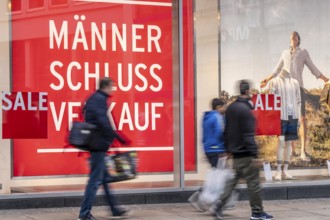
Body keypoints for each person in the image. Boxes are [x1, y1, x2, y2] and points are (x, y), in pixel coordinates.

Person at [260, 31, 329, 161]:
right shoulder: (284, 53)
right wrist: (267, 79)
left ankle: (303, 151)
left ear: (298, 40)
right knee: (289, 119)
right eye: (291, 35)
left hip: (298, 88)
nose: (293, 36)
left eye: (295, 35)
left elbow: (312, 68)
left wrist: (325, 79)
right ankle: (293, 150)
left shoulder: (303, 52)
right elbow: (276, 70)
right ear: (290, 40)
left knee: (302, 119)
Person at [212, 80, 273, 220]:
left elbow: (226, 130)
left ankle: (218, 205)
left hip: (235, 154)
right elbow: (248, 134)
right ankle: (257, 212)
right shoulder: (246, 110)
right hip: (247, 154)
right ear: (247, 92)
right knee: (254, 184)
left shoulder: (231, 108)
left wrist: (228, 149)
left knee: (232, 182)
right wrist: (255, 155)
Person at [78, 77, 131, 220]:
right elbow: (104, 122)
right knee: (95, 180)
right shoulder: (98, 99)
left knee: (104, 178)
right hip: (97, 146)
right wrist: (118, 138)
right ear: (105, 87)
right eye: (112, 87)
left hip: (97, 144)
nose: (113, 89)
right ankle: (84, 213)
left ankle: (114, 209)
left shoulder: (95, 98)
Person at [188, 98, 228, 211]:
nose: (225, 108)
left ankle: (200, 196)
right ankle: (205, 199)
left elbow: (204, 135)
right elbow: (220, 132)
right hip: (217, 149)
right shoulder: (217, 117)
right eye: (224, 106)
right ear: (218, 107)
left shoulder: (206, 117)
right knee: (218, 177)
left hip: (208, 149)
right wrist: (225, 147)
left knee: (215, 176)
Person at [268, 69, 301, 181]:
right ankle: (278, 171)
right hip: (281, 117)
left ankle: (285, 170)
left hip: (293, 116)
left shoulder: (295, 82)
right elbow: (271, 100)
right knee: (281, 142)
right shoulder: (275, 81)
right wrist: (272, 118)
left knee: (289, 143)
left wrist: (299, 117)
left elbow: (299, 101)